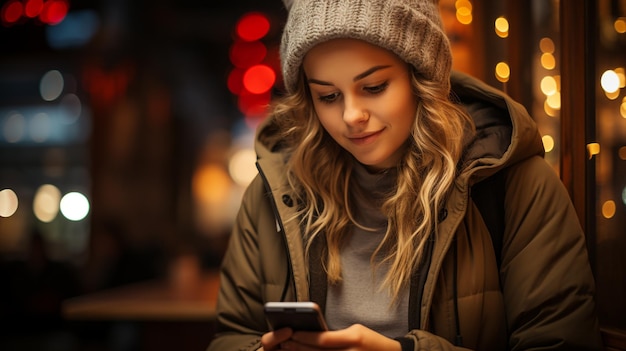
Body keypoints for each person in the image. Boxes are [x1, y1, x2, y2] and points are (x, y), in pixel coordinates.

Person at [207, 0, 603, 350]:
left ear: (422, 78)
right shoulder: (274, 190)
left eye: (374, 86)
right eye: (327, 96)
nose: (350, 116)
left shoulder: (514, 183)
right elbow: (231, 335)